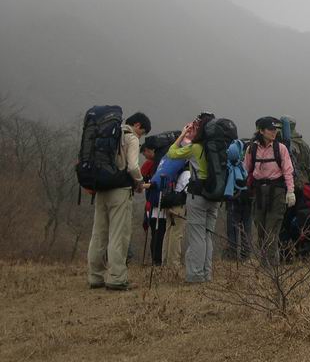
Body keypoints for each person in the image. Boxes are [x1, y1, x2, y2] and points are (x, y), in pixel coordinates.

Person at [87, 112, 151, 291]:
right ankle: (116, 278)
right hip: (120, 191)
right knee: (118, 235)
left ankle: (95, 277)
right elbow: (133, 166)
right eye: (142, 132)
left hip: (101, 189)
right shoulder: (131, 137)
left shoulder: (108, 133)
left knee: (98, 234)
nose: (140, 136)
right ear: (137, 125)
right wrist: (139, 182)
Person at [166, 112, 217, 283]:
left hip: (197, 194)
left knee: (197, 236)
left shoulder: (195, 148)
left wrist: (182, 134)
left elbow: (172, 153)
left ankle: (195, 275)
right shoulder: (217, 146)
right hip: (214, 194)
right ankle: (207, 274)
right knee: (208, 235)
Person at [245, 116, 295, 262]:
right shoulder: (252, 149)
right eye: (270, 129)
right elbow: (246, 169)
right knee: (260, 230)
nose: (274, 132)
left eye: (275, 129)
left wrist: (290, 191)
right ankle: (264, 263)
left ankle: (271, 266)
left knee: (272, 231)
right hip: (259, 192)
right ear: (261, 131)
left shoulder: (281, 148)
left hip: (277, 192)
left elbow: (288, 171)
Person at [224, 139, 252, 260]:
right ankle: (246, 255)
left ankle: (232, 255)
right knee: (247, 229)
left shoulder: (228, 166)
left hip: (233, 201)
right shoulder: (244, 166)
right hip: (247, 200)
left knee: (232, 229)